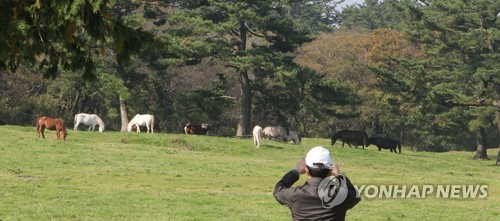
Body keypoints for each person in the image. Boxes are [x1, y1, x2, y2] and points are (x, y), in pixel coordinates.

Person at [273, 146, 360, 220]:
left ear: (306, 171)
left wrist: (296, 171)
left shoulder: (295, 195)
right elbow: (355, 195)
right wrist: (339, 175)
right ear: (330, 171)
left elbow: (278, 190)